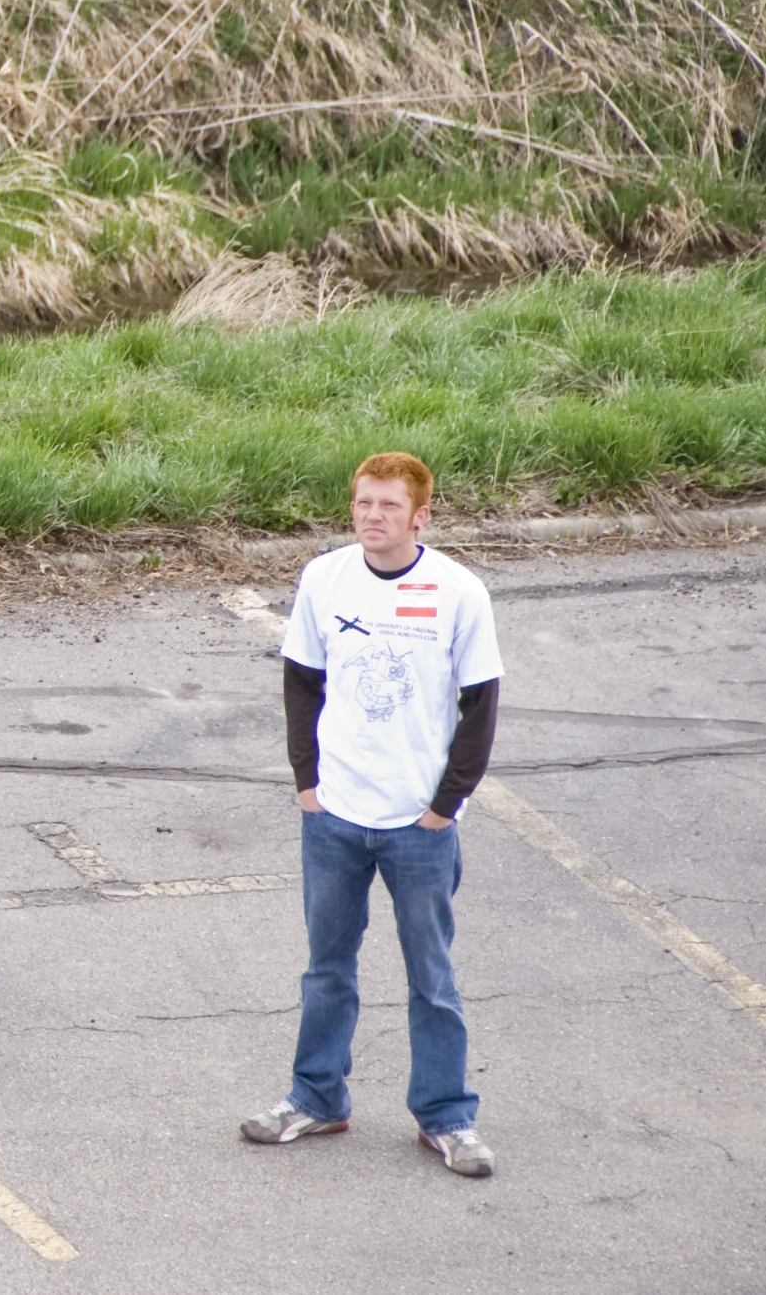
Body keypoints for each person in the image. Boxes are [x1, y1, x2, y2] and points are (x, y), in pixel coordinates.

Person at [242, 452, 503, 1177]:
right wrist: (307, 784)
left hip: (416, 824)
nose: (372, 517)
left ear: (420, 515)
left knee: (431, 976)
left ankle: (446, 1118)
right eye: (363, 503)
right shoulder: (323, 579)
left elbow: (480, 707)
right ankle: (315, 1099)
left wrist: (442, 807)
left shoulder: (457, 592)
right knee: (326, 968)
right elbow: (300, 681)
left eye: (388, 506)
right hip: (332, 817)